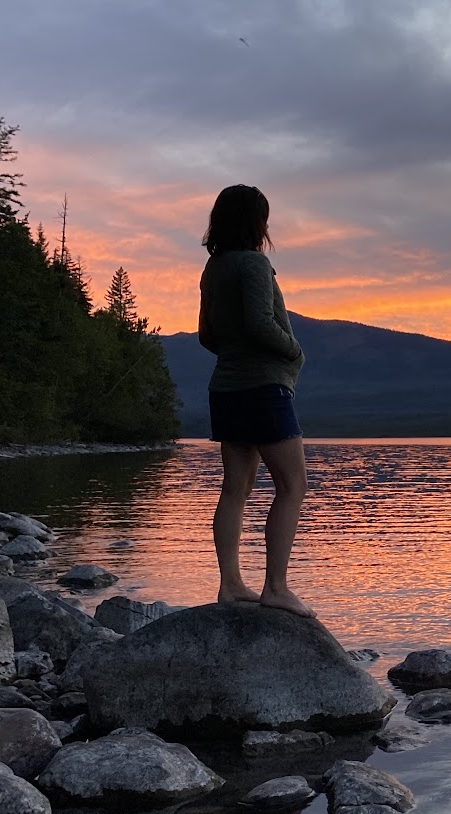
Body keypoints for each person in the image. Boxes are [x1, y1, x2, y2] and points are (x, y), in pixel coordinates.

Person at [198, 184, 314, 618]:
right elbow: (260, 324)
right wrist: (294, 350)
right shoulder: (253, 264)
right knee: (292, 485)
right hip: (264, 388)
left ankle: (230, 586)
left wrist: (234, 353)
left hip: (225, 386)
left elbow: (207, 335)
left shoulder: (213, 269)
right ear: (256, 222)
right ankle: (276, 588)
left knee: (236, 488)